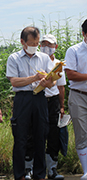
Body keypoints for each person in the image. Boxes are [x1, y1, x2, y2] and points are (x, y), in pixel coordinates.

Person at [6, 26, 55, 180]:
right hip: (23, 99)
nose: (35, 46)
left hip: (40, 97)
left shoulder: (44, 58)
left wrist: (48, 81)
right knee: (20, 138)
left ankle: (40, 174)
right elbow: (14, 81)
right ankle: (20, 174)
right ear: (23, 42)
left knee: (41, 136)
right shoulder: (14, 58)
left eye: (37, 43)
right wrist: (34, 78)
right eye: (32, 43)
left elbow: (52, 82)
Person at [24, 34, 66, 180]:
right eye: (44, 44)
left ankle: (52, 169)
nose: (46, 47)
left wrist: (62, 106)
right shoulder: (37, 60)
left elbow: (60, 87)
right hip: (36, 99)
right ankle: (29, 168)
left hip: (52, 101)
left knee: (53, 135)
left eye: (50, 44)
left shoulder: (59, 64)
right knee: (32, 134)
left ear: (56, 46)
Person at [65, 18, 87, 180]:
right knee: (82, 134)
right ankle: (86, 170)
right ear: (84, 34)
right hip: (79, 96)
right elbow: (71, 74)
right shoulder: (74, 50)